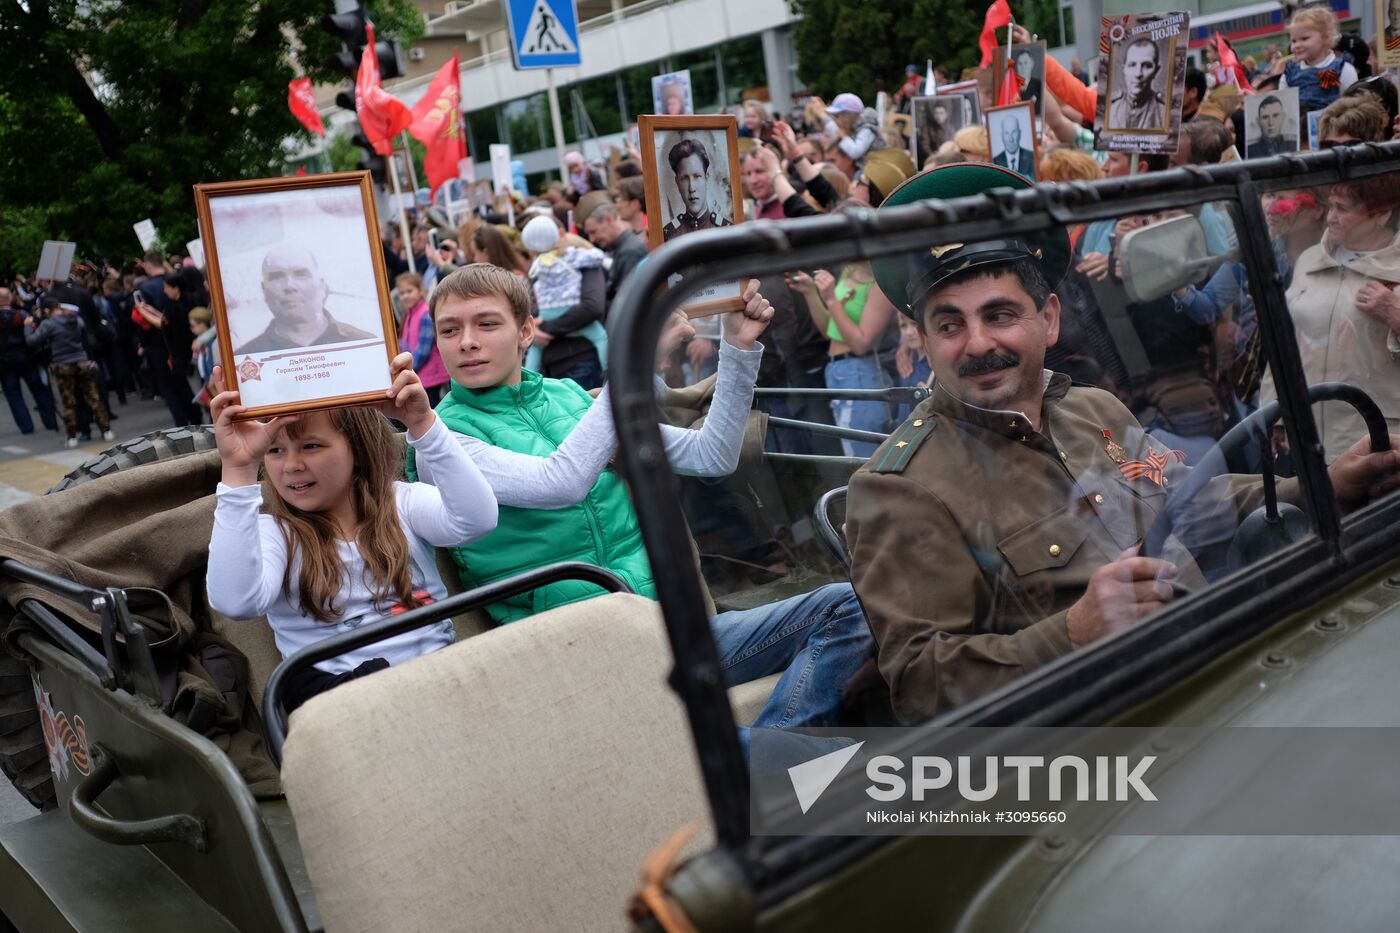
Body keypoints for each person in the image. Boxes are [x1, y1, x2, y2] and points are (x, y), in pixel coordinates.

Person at [845, 163, 1400, 722]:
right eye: (949, 325)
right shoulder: (899, 488)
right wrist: (1072, 633)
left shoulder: (1093, 409)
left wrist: (1319, 487)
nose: (978, 343)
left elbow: (1192, 504)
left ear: (1050, 319)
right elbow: (920, 686)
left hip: (1228, 672)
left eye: (1001, 314)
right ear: (923, 339)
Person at [410, 264, 873, 731]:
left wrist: (738, 346)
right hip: (575, 658)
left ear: (526, 330)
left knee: (852, 604)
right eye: (450, 330)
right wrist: (637, 362)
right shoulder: (441, 440)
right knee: (743, 756)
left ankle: (767, 763)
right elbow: (560, 483)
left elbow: (711, 455)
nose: (466, 341)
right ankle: (768, 767)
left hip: (668, 628)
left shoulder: (568, 396)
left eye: (486, 323)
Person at [206, 354, 498, 712]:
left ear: (356, 449)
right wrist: (239, 469)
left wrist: (422, 423)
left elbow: (477, 519)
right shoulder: (275, 534)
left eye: (311, 446)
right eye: (275, 450)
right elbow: (236, 602)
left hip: (440, 682)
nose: (292, 465)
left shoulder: (400, 503)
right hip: (345, 707)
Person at [1260, 174, 1400, 459]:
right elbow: (1285, 340)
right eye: (1331, 206)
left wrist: (1395, 314)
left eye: (1343, 209)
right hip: (1306, 439)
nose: (1331, 217)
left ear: (1382, 214)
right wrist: (1273, 413)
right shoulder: (1311, 259)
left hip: (1374, 446)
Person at [791, 251, 898, 459]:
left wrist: (831, 298)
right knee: (852, 453)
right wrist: (811, 293)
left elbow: (861, 343)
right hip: (838, 370)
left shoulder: (879, 283)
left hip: (860, 372)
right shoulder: (849, 271)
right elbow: (829, 331)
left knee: (864, 458)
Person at [234, 246, 375, 355]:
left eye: (301, 274)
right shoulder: (247, 358)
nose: (289, 286)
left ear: (322, 286)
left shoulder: (365, 344)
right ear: (264, 290)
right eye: (277, 276)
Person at [521, 216, 608, 388]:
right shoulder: (572, 259)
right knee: (601, 337)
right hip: (559, 363)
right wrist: (534, 328)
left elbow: (592, 307)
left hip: (577, 360)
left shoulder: (540, 265)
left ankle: (525, 384)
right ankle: (609, 372)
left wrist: (543, 328)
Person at [25, 300, 115, 447]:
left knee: (68, 402)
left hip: (63, 364)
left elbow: (32, 341)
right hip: (82, 362)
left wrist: (28, 328)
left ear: (48, 311)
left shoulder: (49, 324)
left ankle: (72, 436)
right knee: (93, 397)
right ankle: (106, 430)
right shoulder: (76, 319)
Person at [1279, 5, 1358, 113]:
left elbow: (1352, 107)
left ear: (1326, 37)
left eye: (1304, 38)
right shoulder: (1289, 74)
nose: (1297, 45)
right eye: (1293, 41)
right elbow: (1284, 108)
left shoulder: (1343, 69)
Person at [0, 286, 57, 434]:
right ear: (9, 298)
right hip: (25, 357)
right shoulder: (21, 315)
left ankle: (26, 427)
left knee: (13, 394)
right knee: (38, 388)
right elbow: (32, 331)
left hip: (4, 362)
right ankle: (50, 420)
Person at [396, 273, 450, 407]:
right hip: (419, 373)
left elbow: (423, 350)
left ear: (421, 291)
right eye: (402, 293)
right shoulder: (409, 314)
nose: (405, 296)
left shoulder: (425, 314)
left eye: (409, 291)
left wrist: (409, 368)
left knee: (433, 407)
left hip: (430, 374)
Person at [660, 137, 730, 239]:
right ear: (677, 182)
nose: (691, 188)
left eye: (697, 176)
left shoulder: (726, 231)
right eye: (685, 178)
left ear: (706, 178)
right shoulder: (668, 235)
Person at [580, 202, 649, 302]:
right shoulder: (623, 248)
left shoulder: (629, 251)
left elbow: (627, 301)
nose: (592, 239)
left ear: (608, 219)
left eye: (593, 232)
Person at [1109, 37, 1167, 131]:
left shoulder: (1164, 113)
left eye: (1146, 66)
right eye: (1132, 65)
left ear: (1156, 70)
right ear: (1124, 69)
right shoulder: (1111, 110)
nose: (1138, 73)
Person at [817, 92, 883, 168]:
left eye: (837, 116)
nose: (835, 121)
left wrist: (844, 137)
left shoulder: (867, 128)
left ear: (848, 116)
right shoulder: (853, 128)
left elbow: (855, 152)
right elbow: (835, 131)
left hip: (876, 169)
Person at [991, 113, 1036, 179]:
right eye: (1006, 133)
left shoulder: (1032, 157)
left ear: (1020, 133)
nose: (1010, 139)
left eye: (1014, 132)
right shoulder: (995, 161)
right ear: (1002, 136)